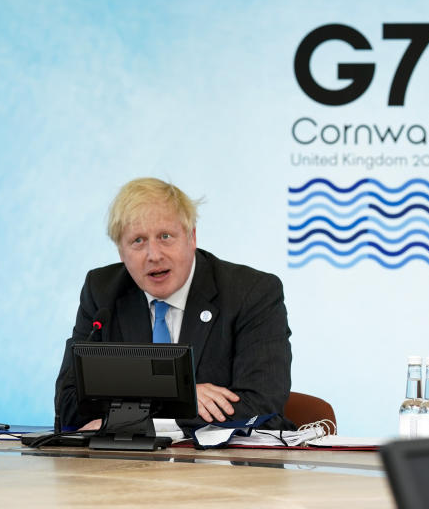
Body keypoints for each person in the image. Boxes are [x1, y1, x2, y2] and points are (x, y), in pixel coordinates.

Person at [55, 178, 293, 431]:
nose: (154, 255)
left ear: (191, 237)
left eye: (165, 236)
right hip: (126, 466)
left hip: (223, 467)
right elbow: (69, 406)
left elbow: (262, 403)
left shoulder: (251, 293)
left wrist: (145, 419)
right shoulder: (102, 291)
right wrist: (176, 397)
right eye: (138, 241)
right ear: (121, 252)